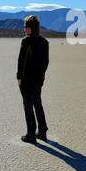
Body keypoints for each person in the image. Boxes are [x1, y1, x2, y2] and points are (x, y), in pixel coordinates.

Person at [17, 15, 49, 143]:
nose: (24, 29)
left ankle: (31, 134)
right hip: (38, 80)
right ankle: (42, 131)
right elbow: (46, 62)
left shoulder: (27, 41)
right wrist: (41, 77)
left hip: (27, 80)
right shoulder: (44, 42)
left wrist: (19, 77)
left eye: (25, 27)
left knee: (28, 105)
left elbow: (21, 61)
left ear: (30, 28)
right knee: (37, 104)